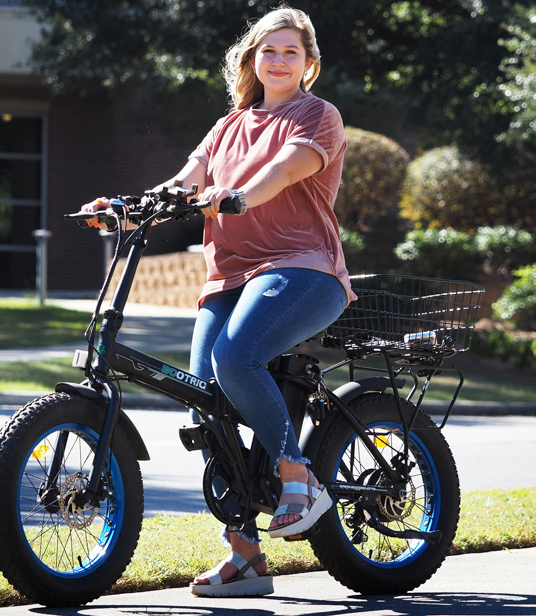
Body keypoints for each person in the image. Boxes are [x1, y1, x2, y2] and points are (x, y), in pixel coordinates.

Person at [80, 7, 354, 598]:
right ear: (252, 59)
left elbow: (283, 171)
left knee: (235, 359)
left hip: (302, 270)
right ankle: (247, 557)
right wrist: (130, 206)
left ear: (308, 65)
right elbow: (183, 180)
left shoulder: (317, 116)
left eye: (290, 53)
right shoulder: (228, 126)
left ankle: (296, 474)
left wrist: (238, 196)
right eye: (268, 51)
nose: (277, 61)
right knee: (202, 402)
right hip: (228, 278)